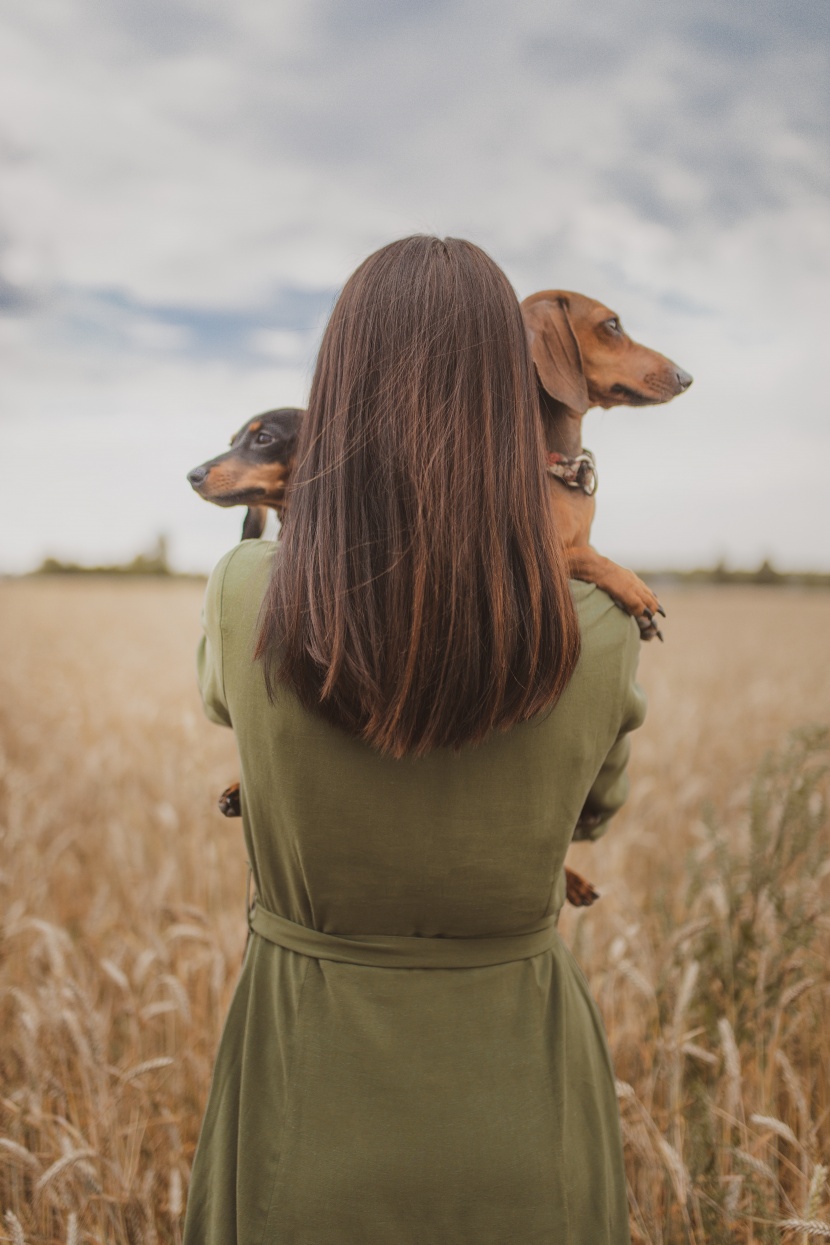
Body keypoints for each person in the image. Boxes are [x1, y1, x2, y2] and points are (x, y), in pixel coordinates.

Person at [183, 235, 646, 1245]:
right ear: (509, 391)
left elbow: (233, 711)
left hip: (300, 1093)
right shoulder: (600, 623)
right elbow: (589, 814)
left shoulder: (244, 595)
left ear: (335, 389)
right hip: (523, 1101)